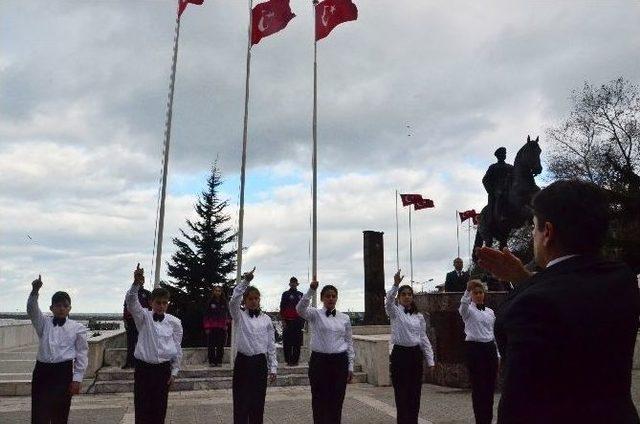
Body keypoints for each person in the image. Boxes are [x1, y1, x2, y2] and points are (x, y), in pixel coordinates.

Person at [476, 179, 640, 423]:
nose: (532, 234)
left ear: (548, 233)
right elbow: (574, 292)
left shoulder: (526, 308)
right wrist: (524, 277)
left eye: (534, 227)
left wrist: (526, 284)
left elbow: (518, 406)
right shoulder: (622, 280)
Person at [126, 264, 183, 424]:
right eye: (158, 302)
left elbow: (177, 347)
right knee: (142, 410)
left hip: (163, 370)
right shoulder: (143, 317)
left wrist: (174, 371)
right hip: (144, 369)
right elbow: (131, 303)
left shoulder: (175, 322)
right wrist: (136, 284)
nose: (161, 306)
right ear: (151, 302)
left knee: (159, 411)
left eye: (165, 303)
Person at [27, 274, 88, 424]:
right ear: (51, 308)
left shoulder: (77, 328)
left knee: (60, 414)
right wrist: (35, 291)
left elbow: (82, 354)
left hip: (63, 372)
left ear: (70, 308)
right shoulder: (43, 324)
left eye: (65, 306)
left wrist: (77, 379)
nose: (61, 308)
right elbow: (32, 310)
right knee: (39, 414)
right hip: (42, 371)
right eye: (58, 305)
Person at [296, 280, 355, 424]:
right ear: (322, 298)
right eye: (327, 296)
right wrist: (311, 290)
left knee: (337, 401)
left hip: (339, 362)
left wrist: (350, 365)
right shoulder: (315, 314)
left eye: (333, 296)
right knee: (319, 401)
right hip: (319, 362)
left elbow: (349, 342)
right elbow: (299, 309)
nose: (331, 299)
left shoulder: (345, 318)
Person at [385, 270, 435, 424]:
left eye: (409, 294)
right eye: (404, 294)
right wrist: (395, 285)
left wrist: (430, 360)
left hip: (415, 355)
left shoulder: (418, 317)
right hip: (400, 354)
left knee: (415, 394)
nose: (407, 296)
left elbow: (423, 338)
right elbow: (388, 301)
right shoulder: (395, 312)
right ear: (399, 298)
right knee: (401, 395)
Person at [229, 267, 277, 424]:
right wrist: (246, 281)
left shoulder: (267, 320)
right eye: (250, 298)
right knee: (241, 404)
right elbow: (233, 300)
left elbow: (271, 345)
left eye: (256, 298)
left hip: (260, 363)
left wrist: (273, 367)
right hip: (243, 362)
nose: (254, 301)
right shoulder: (239, 316)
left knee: (258, 404)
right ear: (245, 301)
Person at [458, 279, 499, 424]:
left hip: (489, 348)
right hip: (474, 348)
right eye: (476, 293)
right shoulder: (468, 310)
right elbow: (462, 306)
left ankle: (487, 419)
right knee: (478, 387)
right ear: (472, 295)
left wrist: (498, 354)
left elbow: (493, 333)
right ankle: (480, 420)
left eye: (481, 292)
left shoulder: (490, 312)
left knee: (489, 387)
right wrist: (467, 290)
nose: (479, 295)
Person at [122, 266, 151, 369]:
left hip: (142, 321)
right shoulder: (130, 293)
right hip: (131, 321)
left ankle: (141, 362)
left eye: (142, 280)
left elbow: (151, 309)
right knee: (131, 342)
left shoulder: (147, 294)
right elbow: (126, 307)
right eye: (139, 280)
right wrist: (125, 319)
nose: (141, 282)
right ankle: (129, 362)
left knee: (142, 342)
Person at [482, 146, 514, 226]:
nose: (504, 155)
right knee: (501, 195)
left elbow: (518, 175)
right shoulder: (493, 167)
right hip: (496, 191)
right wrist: (491, 191)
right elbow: (485, 180)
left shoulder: (510, 167)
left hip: (510, 190)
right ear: (498, 156)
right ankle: (501, 215)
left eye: (505, 154)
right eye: (502, 154)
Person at [279, 276, 304, 366]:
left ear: (297, 284)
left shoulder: (301, 294)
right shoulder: (285, 294)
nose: (293, 284)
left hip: (298, 321)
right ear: (289, 284)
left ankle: (295, 361)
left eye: (295, 282)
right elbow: (282, 308)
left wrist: (303, 321)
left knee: (297, 342)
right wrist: (283, 321)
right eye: (292, 282)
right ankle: (288, 361)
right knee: (287, 342)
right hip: (288, 321)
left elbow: (303, 309)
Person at [202, 285, 230, 367]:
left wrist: (226, 323)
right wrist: (206, 327)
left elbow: (227, 315)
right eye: (216, 290)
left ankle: (219, 361)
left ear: (221, 292)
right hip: (211, 327)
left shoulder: (224, 302)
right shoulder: (210, 302)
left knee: (220, 345)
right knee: (211, 345)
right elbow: (206, 315)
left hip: (222, 327)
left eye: (219, 291)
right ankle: (211, 362)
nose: (218, 292)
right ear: (213, 292)